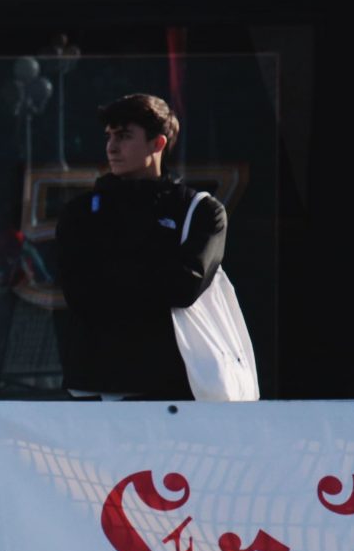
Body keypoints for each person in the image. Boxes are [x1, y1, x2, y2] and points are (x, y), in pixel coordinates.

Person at [53, 93, 226, 400]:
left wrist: (113, 267)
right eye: (109, 136)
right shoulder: (79, 211)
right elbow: (79, 292)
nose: (111, 147)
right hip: (91, 385)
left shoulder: (201, 210)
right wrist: (154, 265)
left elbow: (184, 288)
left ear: (157, 144)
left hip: (170, 390)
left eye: (124, 136)